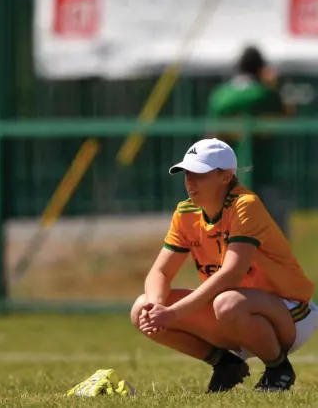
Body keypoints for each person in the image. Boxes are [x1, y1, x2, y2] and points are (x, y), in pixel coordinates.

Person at [130, 138, 317, 393]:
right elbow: (160, 272)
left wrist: (172, 313)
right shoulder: (186, 213)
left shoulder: (244, 205)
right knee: (140, 309)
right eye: (187, 173)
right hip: (231, 313)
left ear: (226, 176)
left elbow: (231, 274)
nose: (190, 180)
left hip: (289, 312)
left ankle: (278, 368)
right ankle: (226, 364)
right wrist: (155, 305)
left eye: (199, 173)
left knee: (227, 301)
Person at [207, 45, 293, 238]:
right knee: (273, 241)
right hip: (263, 174)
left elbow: (211, 134)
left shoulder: (220, 96)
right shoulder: (265, 94)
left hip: (226, 179)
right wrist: (273, 85)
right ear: (260, 68)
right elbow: (288, 114)